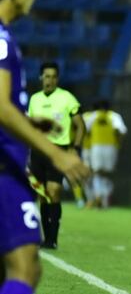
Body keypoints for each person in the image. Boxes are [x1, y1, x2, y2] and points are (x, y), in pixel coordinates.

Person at [0, 0, 89, 294]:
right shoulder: (0, 37)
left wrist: (28, 123)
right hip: (3, 172)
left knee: (14, 270)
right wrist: (57, 152)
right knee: (25, 268)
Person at [27, 61, 84, 249]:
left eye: (53, 76)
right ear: (41, 77)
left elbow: (80, 124)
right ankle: (46, 239)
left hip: (57, 150)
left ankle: (53, 238)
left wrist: (75, 147)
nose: (49, 80)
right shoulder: (34, 99)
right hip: (38, 151)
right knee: (42, 194)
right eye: (47, 76)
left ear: (57, 79)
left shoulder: (67, 98)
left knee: (54, 190)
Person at [83, 99, 127, 208]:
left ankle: (98, 194)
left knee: (97, 172)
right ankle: (105, 197)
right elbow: (121, 131)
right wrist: (118, 143)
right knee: (108, 173)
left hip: (96, 146)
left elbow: (85, 129)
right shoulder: (114, 116)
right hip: (111, 146)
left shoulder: (94, 116)